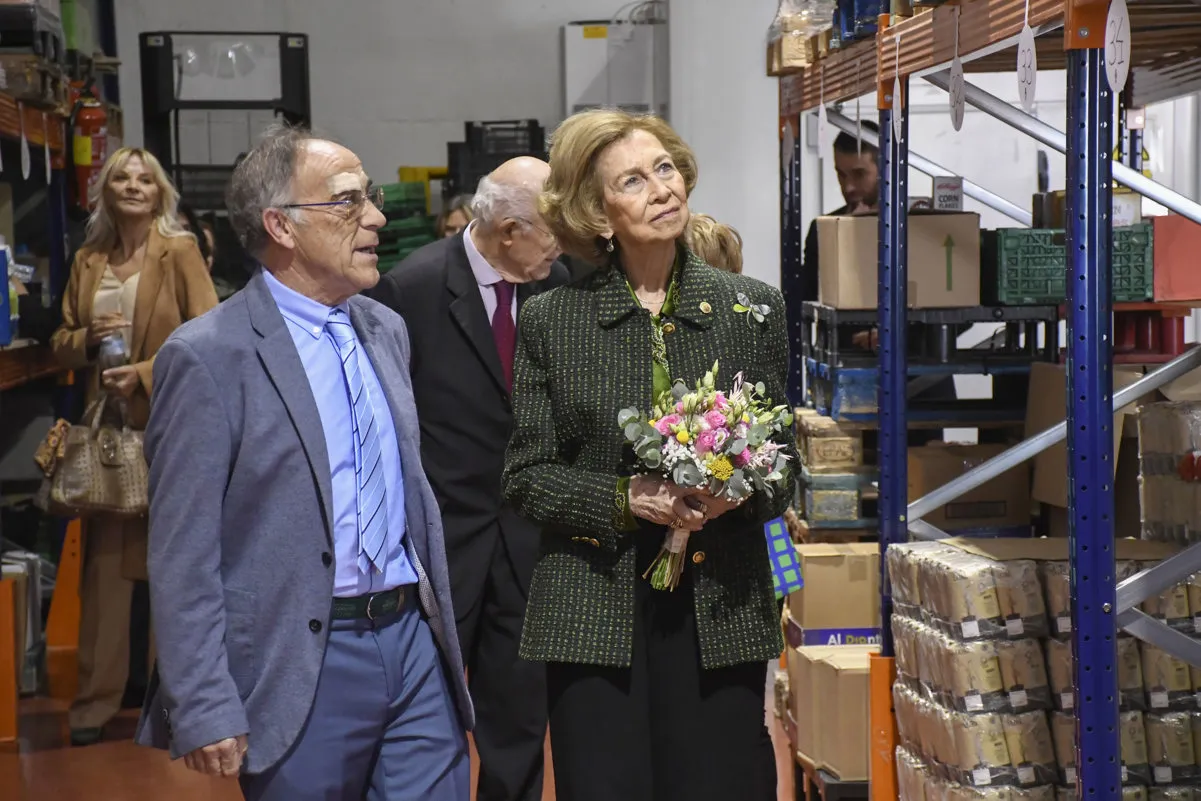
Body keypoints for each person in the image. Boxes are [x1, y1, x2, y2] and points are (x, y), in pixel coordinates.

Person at [134, 124, 473, 801]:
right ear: (280, 226)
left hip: (412, 642)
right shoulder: (208, 355)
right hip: (302, 660)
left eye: (371, 198)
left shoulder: (384, 329)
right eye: (348, 201)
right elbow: (182, 550)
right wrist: (204, 700)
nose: (374, 217)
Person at [502, 109, 796, 801]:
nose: (660, 188)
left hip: (720, 603)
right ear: (596, 213)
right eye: (632, 180)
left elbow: (785, 469)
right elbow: (525, 476)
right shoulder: (552, 319)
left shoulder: (749, 309)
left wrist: (742, 487)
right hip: (594, 612)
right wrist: (624, 499)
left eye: (663, 168)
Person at [369, 157, 567, 801]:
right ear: (507, 229)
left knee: (517, 725)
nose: (559, 244)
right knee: (430, 727)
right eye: (549, 229)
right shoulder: (412, 288)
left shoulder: (556, 286)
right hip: (443, 549)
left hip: (528, 545)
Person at [49, 147, 218, 747]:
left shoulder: (180, 253)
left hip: (168, 431)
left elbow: (210, 334)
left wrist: (144, 372)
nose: (133, 185)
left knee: (173, 570)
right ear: (106, 191)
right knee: (102, 576)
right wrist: (89, 343)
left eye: (145, 178)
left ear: (161, 192)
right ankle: (93, 706)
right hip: (108, 443)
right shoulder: (89, 259)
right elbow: (60, 341)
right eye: (121, 176)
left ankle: (175, 705)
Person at [801, 121, 880, 301]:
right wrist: (846, 236)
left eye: (859, 174)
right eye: (841, 175)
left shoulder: (913, 226)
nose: (848, 187)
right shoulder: (822, 230)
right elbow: (804, 300)